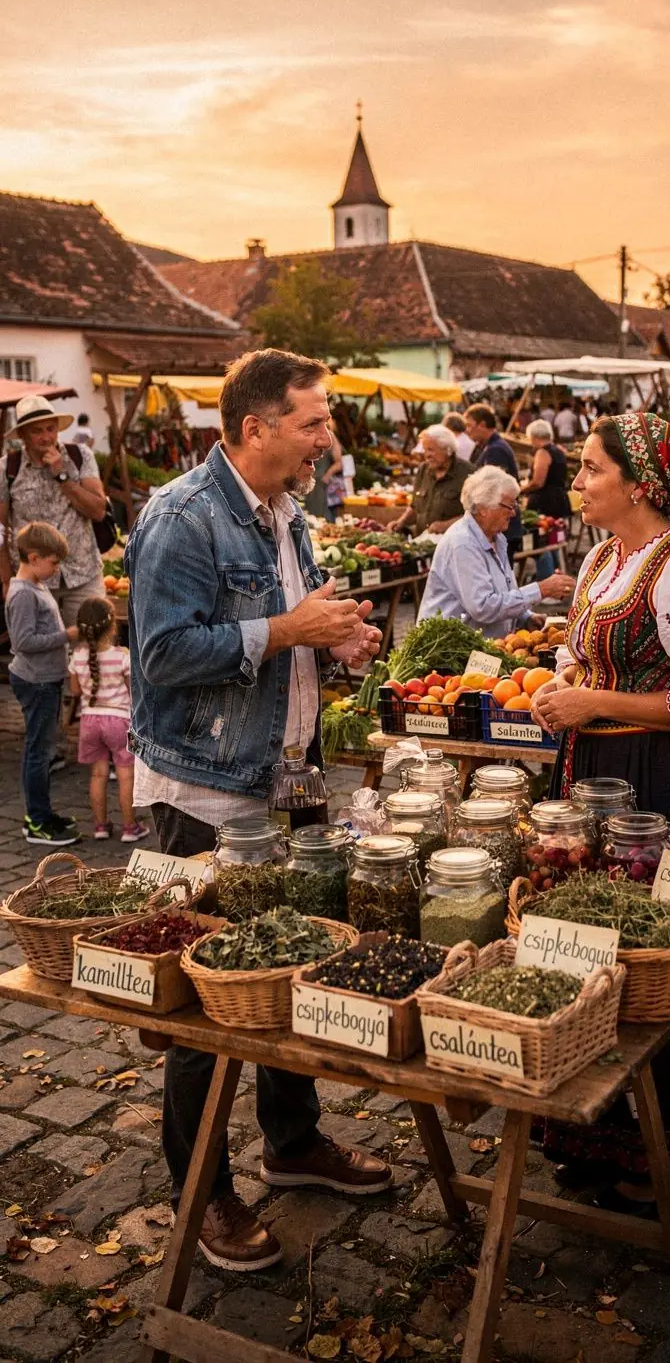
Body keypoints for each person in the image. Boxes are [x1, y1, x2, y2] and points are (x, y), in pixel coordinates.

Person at [125, 347, 392, 1273]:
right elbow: (161, 656)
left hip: (288, 780)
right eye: (314, 422)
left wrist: (336, 644)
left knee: (296, 967)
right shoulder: (181, 517)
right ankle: (201, 1193)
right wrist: (289, 631)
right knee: (207, 1002)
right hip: (209, 791)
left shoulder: (288, 514)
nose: (329, 437)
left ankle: (291, 1143)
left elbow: (285, 638)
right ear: (255, 428)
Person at [529, 413, 670, 1213]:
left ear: (639, 484)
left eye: (590, 469)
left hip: (666, 781)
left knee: (665, 954)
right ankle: (601, 1128)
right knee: (596, 942)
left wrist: (595, 699)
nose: (575, 481)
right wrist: (566, 686)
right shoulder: (600, 557)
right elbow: (579, 644)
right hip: (594, 769)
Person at [417, 465, 574, 636]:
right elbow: (483, 606)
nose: (514, 513)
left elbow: (502, 593)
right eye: (509, 506)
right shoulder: (463, 544)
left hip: (482, 648)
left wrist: (526, 616)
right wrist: (541, 589)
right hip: (450, 650)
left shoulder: (496, 539)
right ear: (484, 508)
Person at [0, 396, 106, 626]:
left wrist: (62, 476)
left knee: (90, 652)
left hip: (82, 574)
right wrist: (7, 579)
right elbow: (0, 530)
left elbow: (98, 511)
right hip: (32, 581)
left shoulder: (79, 456)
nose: (46, 437)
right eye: (37, 431)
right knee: (40, 656)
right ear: (23, 435)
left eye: (50, 429)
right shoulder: (7, 468)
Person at [5, 522, 80, 845]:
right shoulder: (22, 594)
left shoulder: (36, 585)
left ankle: (43, 811)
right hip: (36, 682)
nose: (56, 568)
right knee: (38, 752)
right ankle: (36, 820)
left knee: (44, 749)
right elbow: (23, 641)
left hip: (47, 679)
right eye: (53, 562)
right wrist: (68, 636)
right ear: (33, 558)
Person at [68, 596, 150, 844]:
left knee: (98, 775)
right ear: (113, 625)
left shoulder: (78, 656)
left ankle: (100, 826)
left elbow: (74, 692)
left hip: (90, 721)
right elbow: (132, 690)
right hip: (118, 721)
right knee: (126, 776)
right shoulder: (122, 656)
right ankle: (129, 827)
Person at [464, 404, 523, 558]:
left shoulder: (495, 449)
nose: (467, 431)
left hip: (503, 525)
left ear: (482, 425)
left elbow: (494, 492)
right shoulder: (490, 446)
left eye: (470, 426)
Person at [394, 425, 472, 535]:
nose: (427, 455)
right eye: (425, 450)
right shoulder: (423, 470)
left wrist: (446, 525)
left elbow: (475, 516)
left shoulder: (467, 473)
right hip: (423, 545)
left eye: (431, 450)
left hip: (452, 545)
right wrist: (401, 522)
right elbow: (415, 507)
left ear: (448, 450)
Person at [518, 420, 571, 581]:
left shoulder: (543, 452)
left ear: (533, 436)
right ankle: (556, 577)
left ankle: (547, 578)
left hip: (546, 501)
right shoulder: (559, 450)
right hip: (559, 498)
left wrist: (520, 490)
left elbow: (538, 482)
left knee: (543, 543)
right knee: (554, 541)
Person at [306, 417, 345, 521]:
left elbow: (339, 463)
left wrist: (327, 475)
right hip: (309, 482)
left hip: (322, 483)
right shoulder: (308, 435)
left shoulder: (330, 436)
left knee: (322, 516)